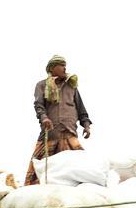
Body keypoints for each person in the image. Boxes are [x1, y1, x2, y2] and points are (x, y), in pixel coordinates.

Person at [25, 55, 92, 185]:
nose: (64, 68)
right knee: (39, 170)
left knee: (80, 169)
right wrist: (44, 118)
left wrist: (86, 125)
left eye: (65, 65)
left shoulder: (71, 87)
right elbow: (39, 106)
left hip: (69, 134)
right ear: (52, 68)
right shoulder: (42, 85)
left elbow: (81, 110)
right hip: (50, 134)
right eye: (61, 65)